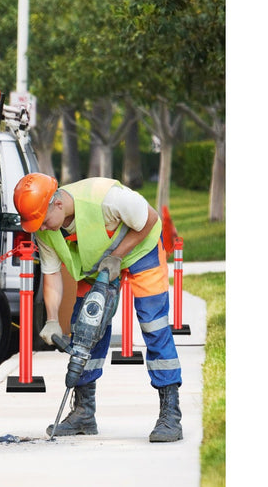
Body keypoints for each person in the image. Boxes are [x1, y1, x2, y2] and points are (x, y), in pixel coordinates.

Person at [13, 173, 183, 442]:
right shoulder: (44, 229)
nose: (41, 227)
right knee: (86, 330)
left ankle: (170, 414)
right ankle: (83, 413)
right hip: (97, 267)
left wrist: (117, 256)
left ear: (56, 204)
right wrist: (52, 319)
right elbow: (52, 275)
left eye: (43, 220)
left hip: (142, 251)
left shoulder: (105, 198)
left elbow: (149, 218)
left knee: (153, 324)